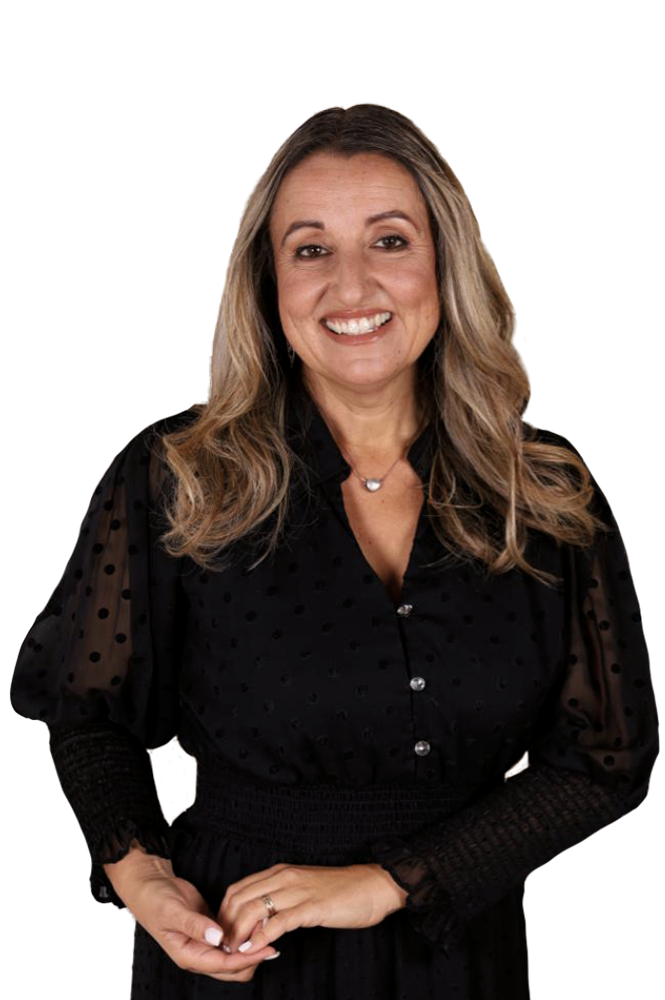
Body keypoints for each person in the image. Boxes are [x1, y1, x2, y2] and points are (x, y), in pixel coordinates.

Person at [9, 103, 659, 998]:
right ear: (268, 284)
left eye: (389, 241)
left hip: (460, 961)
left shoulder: (545, 494)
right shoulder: (175, 477)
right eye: (310, 249)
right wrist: (144, 879)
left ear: (445, 264)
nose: (350, 286)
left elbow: (607, 761)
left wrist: (391, 882)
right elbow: (88, 712)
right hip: (238, 953)